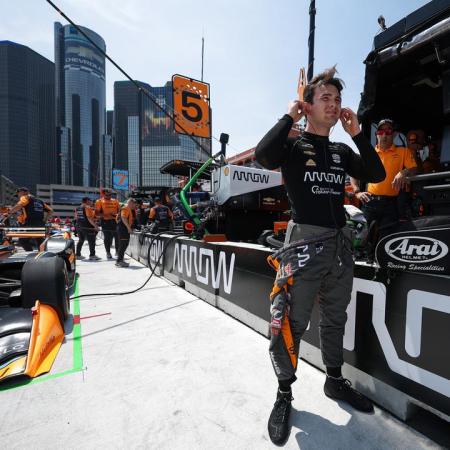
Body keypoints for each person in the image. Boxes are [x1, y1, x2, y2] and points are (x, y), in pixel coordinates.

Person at [254, 67, 385, 445]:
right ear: (307, 106)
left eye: (337, 99)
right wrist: (289, 117)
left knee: (335, 318)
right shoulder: (293, 147)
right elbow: (263, 155)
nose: (334, 104)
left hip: (339, 246)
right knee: (289, 322)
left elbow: (375, 173)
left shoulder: (342, 151)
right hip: (304, 244)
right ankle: (284, 393)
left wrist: (357, 134)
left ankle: (334, 380)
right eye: (325, 98)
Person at [351, 119, 417, 232]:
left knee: (387, 236)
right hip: (370, 201)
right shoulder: (369, 153)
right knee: (364, 237)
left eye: (388, 131)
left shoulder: (403, 151)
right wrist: (357, 192)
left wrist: (403, 172)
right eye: (381, 132)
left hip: (391, 204)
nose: (384, 135)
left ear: (394, 134)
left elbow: (414, 168)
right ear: (377, 134)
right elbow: (353, 172)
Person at [95, 188, 120, 259]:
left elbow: (119, 211)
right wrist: (106, 215)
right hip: (105, 222)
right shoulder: (99, 201)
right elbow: (97, 213)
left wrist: (116, 215)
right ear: (103, 194)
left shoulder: (115, 201)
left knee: (117, 236)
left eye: (110, 194)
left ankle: (117, 251)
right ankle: (108, 252)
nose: (108, 196)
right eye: (107, 195)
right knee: (107, 238)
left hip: (115, 221)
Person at [116, 197, 137, 268]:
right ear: (131, 203)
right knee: (123, 245)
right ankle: (119, 261)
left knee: (124, 244)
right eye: (134, 204)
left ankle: (120, 260)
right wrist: (129, 228)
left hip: (123, 229)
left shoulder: (127, 209)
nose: (134, 206)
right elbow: (123, 218)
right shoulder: (126, 208)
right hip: (123, 229)